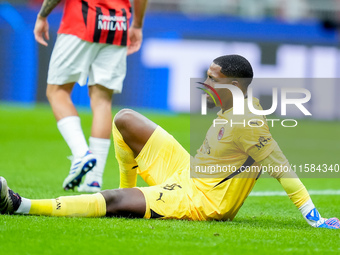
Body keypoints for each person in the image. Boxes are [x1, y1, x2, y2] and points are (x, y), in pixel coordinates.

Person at [1, 55, 339, 229]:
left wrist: (314, 217)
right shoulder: (233, 107)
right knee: (125, 120)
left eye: (212, 78)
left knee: (113, 200)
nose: (204, 82)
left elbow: (282, 169)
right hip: (188, 173)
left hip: (199, 203)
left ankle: (20, 204)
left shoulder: (248, 121)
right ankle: (130, 196)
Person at [33, 0, 148, 192]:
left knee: (57, 91)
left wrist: (42, 15)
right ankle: (94, 180)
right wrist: (137, 24)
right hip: (117, 24)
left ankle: (81, 153)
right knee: (102, 100)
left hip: (81, 20)